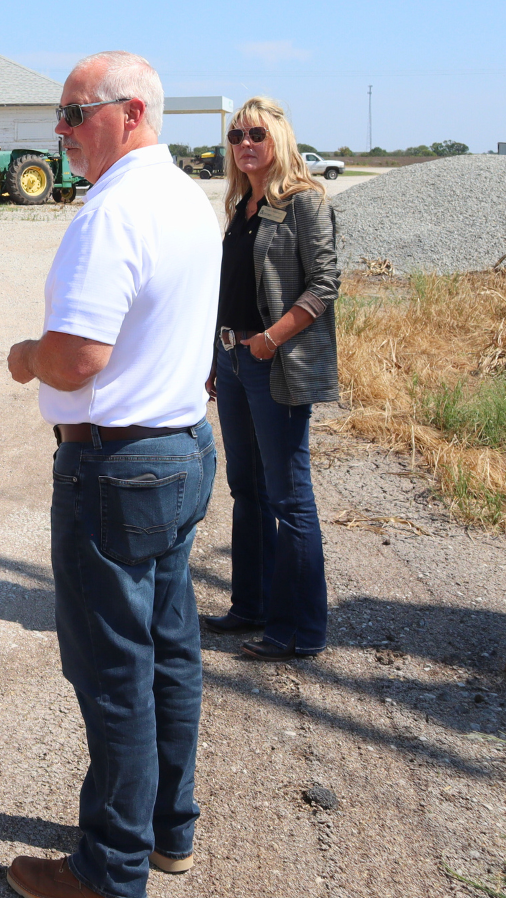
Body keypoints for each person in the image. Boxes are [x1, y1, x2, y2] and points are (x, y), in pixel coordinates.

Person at [2, 52, 220, 898]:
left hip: (117, 464)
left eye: (73, 113)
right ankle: (168, 830)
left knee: (113, 672)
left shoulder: (115, 210)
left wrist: (25, 357)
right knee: (169, 652)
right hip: (180, 449)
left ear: (129, 114)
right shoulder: (183, 198)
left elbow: (77, 358)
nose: (60, 132)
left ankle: (108, 870)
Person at [201, 96, 339, 660]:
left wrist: (272, 338)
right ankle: (252, 606)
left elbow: (324, 283)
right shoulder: (240, 206)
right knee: (247, 491)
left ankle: (300, 630)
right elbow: (227, 290)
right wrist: (216, 356)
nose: (245, 145)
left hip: (274, 365)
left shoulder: (305, 202)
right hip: (233, 363)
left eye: (255, 134)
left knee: (288, 497)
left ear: (278, 138)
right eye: (236, 137)